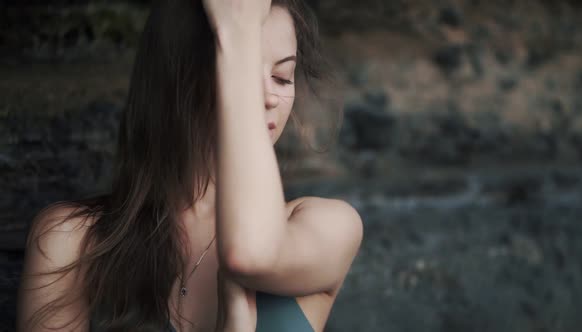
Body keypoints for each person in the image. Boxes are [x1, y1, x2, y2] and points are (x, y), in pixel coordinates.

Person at [16, 0, 363, 331]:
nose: (270, 97)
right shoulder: (70, 239)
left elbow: (253, 252)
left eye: (283, 77)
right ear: (172, 78)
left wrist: (237, 31)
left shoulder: (327, 227)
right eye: (237, 66)